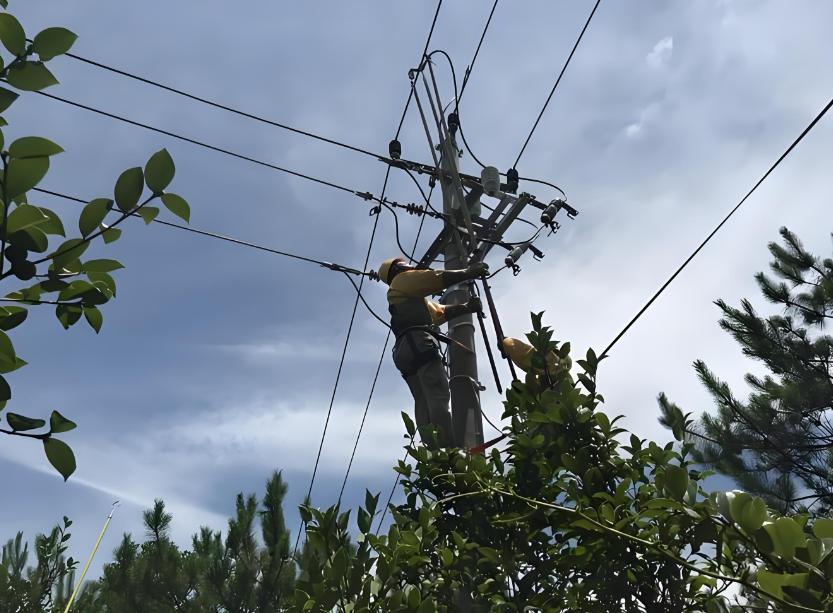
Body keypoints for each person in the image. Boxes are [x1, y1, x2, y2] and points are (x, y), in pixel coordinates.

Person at [378, 256, 489, 448]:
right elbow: (435, 278)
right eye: (403, 263)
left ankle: (433, 451)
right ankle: (447, 450)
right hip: (419, 343)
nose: (409, 265)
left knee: (423, 401)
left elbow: (438, 313)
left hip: (404, 350)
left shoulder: (404, 293)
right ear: (396, 269)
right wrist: (469, 272)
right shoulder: (402, 281)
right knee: (438, 395)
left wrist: (467, 307)